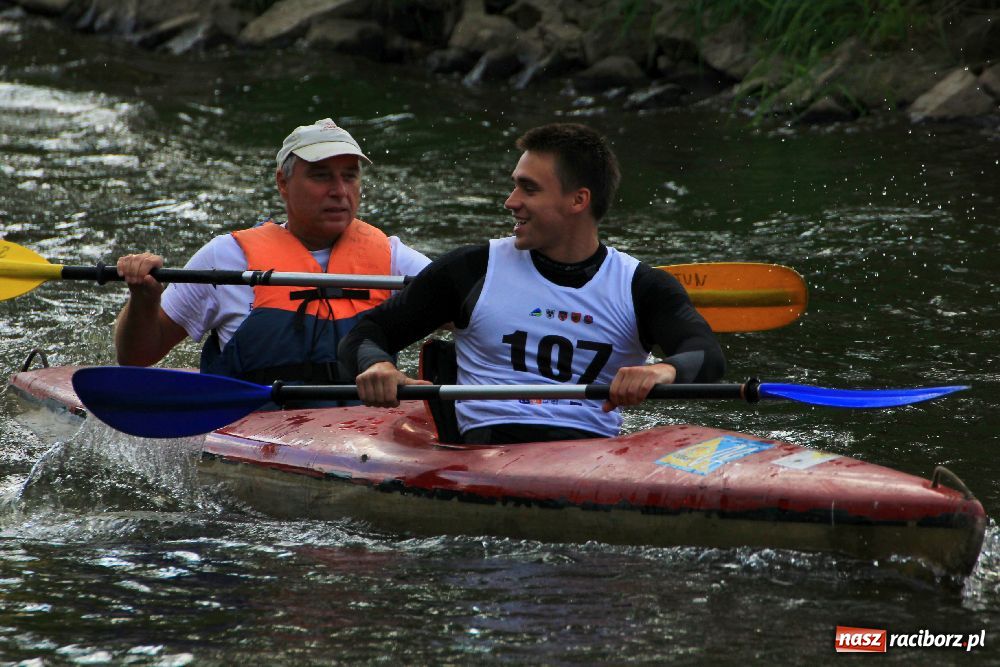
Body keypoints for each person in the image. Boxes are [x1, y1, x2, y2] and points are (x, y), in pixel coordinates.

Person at [339, 122, 725, 444]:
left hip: (594, 458)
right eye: (515, 185)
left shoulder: (641, 287)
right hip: (485, 453)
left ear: (578, 200)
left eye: (529, 188)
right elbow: (369, 332)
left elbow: (706, 354)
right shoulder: (472, 271)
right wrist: (379, 366)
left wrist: (664, 371)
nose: (511, 201)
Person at [114, 118, 430, 385]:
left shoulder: (393, 258)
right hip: (254, 424)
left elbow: (468, 305)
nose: (339, 191)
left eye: (349, 176)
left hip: (360, 434)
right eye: (321, 176)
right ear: (283, 182)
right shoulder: (225, 258)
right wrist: (144, 299)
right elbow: (137, 357)